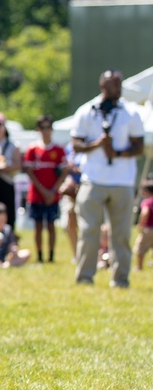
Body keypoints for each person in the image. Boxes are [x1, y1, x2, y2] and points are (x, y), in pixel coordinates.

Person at [70, 69, 144, 288]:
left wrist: (118, 153)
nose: (118, 89)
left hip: (122, 181)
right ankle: (85, 277)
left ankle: (120, 279)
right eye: (114, 85)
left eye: (120, 85)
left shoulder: (131, 112)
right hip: (93, 179)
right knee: (89, 231)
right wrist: (97, 144)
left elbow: (138, 146)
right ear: (103, 85)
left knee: (121, 233)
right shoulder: (86, 111)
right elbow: (76, 144)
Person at [22, 115, 68, 263]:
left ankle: (51, 256)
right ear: (38, 129)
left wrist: (53, 191)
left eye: (48, 127)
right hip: (36, 195)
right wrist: (43, 191)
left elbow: (64, 172)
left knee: (51, 224)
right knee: (38, 225)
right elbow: (30, 173)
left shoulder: (59, 149)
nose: (46, 131)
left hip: (52, 195)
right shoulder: (32, 149)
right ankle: (40, 255)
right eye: (43, 128)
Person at [132, 180, 153, 271]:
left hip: (149, 229)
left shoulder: (147, 201)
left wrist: (140, 224)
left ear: (146, 192)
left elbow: (145, 212)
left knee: (140, 249)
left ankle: (139, 267)